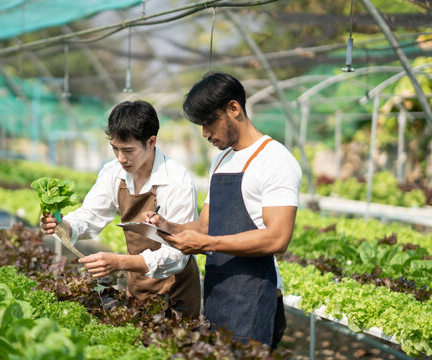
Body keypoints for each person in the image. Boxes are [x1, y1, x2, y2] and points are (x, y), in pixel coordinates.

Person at [146, 72, 302, 348]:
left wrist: (207, 243)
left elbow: (278, 238)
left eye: (209, 123)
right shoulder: (221, 160)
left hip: (254, 294)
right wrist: (168, 226)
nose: (205, 133)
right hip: (219, 289)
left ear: (234, 108)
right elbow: (206, 225)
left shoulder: (275, 160)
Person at [40, 100, 201, 317]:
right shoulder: (113, 173)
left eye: (128, 150)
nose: (120, 158)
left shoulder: (176, 180)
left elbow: (177, 254)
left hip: (176, 289)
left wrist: (120, 262)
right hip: (137, 285)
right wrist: (64, 226)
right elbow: (91, 214)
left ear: (151, 142)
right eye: (115, 149)